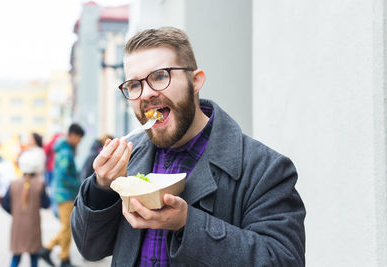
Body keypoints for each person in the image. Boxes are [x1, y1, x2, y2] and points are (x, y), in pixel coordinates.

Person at [71, 27, 306, 266]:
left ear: (195, 81)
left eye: (160, 76)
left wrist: (187, 224)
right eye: (134, 84)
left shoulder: (266, 169)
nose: (147, 94)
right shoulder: (129, 160)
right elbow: (90, 248)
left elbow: (283, 260)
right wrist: (102, 187)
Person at [39, 123, 84, 267]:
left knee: (67, 227)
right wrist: (79, 185)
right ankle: (55, 253)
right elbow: (63, 175)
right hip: (65, 195)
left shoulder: (64, 149)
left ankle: (60, 256)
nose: (79, 141)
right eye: (79, 138)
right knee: (66, 227)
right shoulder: (65, 152)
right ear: (73, 135)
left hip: (63, 194)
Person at [1, 149, 50, 267]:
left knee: (16, 257)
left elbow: (5, 204)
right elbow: (46, 204)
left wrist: (15, 212)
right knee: (34, 257)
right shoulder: (40, 183)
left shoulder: (13, 183)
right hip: (33, 226)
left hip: (17, 226)